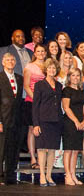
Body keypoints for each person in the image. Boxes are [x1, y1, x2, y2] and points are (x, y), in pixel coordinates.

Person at [32, 58, 63, 187]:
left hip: (56, 121)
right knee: (42, 148)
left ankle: (49, 175)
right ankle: (42, 176)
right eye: (49, 68)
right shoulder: (39, 85)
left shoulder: (59, 85)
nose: (52, 70)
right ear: (46, 70)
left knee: (52, 149)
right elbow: (35, 105)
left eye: (54, 68)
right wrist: (36, 124)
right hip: (43, 120)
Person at [0, 53, 23, 185]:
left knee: (13, 149)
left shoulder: (19, 78)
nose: (10, 62)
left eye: (12, 60)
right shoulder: (0, 77)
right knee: (1, 148)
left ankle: (10, 175)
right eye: (7, 60)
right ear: (3, 62)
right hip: (3, 119)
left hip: (16, 120)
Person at [23, 43, 47, 169]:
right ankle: (33, 158)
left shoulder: (48, 66)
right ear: (35, 53)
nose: (41, 53)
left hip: (45, 103)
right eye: (38, 51)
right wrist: (36, 100)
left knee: (43, 130)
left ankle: (42, 159)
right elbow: (26, 86)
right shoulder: (29, 66)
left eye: (43, 51)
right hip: (32, 102)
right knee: (32, 130)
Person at [61, 67, 84, 185]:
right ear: (69, 77)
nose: (75, 78)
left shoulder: (81, 90)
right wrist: (76, 121)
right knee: (68, 150)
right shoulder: (66, 90)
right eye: (73, 75)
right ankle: (67, 176)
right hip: (70, 123)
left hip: (80, 123)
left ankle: (73, 174)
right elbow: (66, 107)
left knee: (76, 150)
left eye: (77, 75)